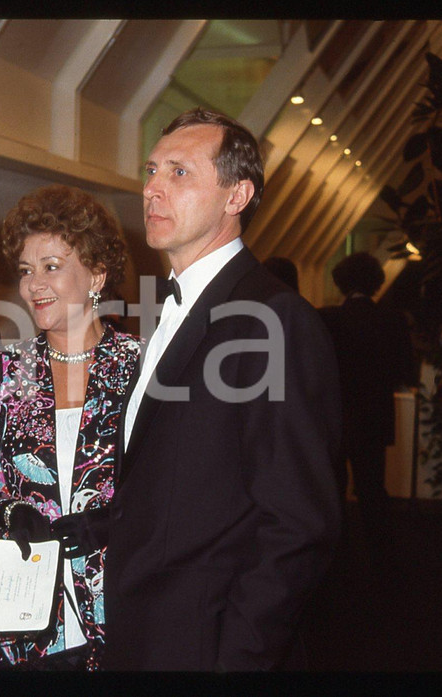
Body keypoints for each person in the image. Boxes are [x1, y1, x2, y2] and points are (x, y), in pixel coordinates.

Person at [106, 108, 343, 670]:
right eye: (151, 170)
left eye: (179, 173)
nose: (153, 188)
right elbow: (178, 484)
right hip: (144, 632)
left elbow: (299, 525)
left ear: (237, 196)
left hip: (208, 644)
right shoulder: (166, 311)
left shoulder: (273, 319)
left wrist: (237, 657)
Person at [0, 184, 140, 670]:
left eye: (52, 267)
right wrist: (8, 516)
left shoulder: (146, 370)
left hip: (124, 613)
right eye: (27, 270)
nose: (34, 285)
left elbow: (183, 490)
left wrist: (116, 522)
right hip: (23, 628)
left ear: (97, 272)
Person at [319, 252, 414, 548]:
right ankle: (381, 556)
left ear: (341, 282)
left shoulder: (328, 319)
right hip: (375, 415)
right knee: (373, 489)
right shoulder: (393, 319)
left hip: (337, 416)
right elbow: (405, 371)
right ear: (376, 281)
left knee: (333, 489)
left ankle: (337, 556)